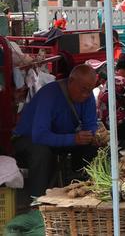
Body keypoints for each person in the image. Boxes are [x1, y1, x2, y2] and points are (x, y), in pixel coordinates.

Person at [13, 65, 98, 197]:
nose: (86, 95)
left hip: (61, 136)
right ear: (71, 81)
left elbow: (91, 124)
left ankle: (86, 190)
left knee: (94, 147)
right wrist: (73, 139)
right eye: (83, 90)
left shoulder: (88, 95)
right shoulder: (49, 95)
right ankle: (38, 200)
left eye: (90, 90)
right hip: (29, 139)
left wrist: (91, 135)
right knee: (41, 153)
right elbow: (39, 135)